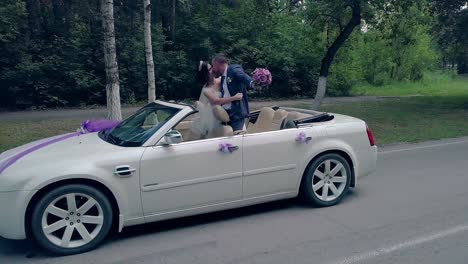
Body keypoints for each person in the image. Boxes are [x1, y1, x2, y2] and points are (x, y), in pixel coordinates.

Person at [191, 61, 243, 138]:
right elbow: (216, 101)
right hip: (215, 116)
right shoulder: (206, 90)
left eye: (212, 68)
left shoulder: (220, 80)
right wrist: (235, 97)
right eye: (210, 70)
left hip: (228, 111)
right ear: (205, 74)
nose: (213, 70)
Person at [211, 55, 257, 132]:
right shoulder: (222, 77)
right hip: (226, 114)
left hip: (236, 113)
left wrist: (252, 82)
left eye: (213, 65)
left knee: (237, 137)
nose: (213, 67)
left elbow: (242, 76)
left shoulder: (232, 69)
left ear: (217, 63)